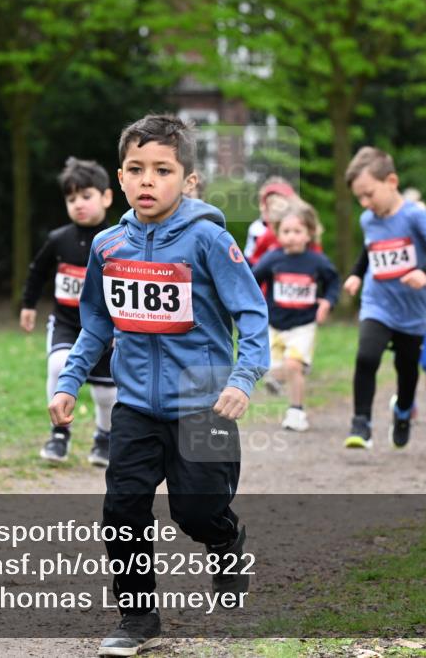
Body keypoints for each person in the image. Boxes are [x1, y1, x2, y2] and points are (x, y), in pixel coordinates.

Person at [47, 115, 269, 657]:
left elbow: (252, 314)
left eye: (163, 170)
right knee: (122, 512)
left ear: (188, 180)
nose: (148, 180)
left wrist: (243, 378)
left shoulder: (210, 240)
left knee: (197, 512)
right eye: (136, 168)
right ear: (120, 177)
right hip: (136, 407)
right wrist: (70, 381)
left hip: (206, 405)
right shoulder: (108, 246)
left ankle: (225, 540)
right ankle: (138, 618)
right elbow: (96, 323)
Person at [341, 147, 426, 449]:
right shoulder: (368, 219)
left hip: (411, 308)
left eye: (369, 194)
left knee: (407, 369)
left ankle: (402, 412)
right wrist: (356, 274)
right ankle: (361, 422)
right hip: (377, 302)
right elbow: (369, 248)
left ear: (391, 181)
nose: (365, 203)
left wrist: (425, 272)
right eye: (359, 198)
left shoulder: (414, 215)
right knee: (366, 356)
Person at [20, 157, 117, 466]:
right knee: (58, 365)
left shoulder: (119, 240)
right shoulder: (58, 240)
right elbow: (37, 272)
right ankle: (59, 433)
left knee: (106, 394)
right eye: (71, 199)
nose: (79, 204)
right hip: (66, 323)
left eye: (86, 196)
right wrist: (28, 304)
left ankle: (104, 438)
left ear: (106, 197)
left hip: (105, 330)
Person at [252, 197, 340, 431]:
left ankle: (296, 412)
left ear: (309, 233)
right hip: (275, 324)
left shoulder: (317, 261)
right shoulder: (272, 258)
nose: (291, 236)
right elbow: (252, 280)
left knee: (292, 366)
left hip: (303, 325)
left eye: (297, 231)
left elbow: (333, 282)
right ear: (278, 233)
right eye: (286, 231)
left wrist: (327, 303)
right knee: (273, 369)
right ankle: (285, 374)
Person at [244, 177, 294, 264]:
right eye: (263, 203)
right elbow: (250, 258)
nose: (263, 208)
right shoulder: (257, 228)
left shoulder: (295, 226)